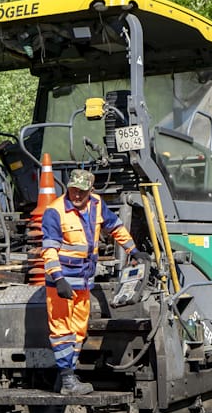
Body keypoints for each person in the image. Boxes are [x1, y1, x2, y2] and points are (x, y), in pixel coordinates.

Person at [41, 169, 152, 395]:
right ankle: (67, 380)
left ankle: (65, 376)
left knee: (78, 331)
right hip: (62, 284)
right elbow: (49, 250)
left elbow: (115, 227)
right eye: (73, 189)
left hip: (83, 282)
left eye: (82, 191)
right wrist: (58, 279)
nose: (77, 195)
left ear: (91, 190)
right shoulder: (55, 211)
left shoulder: (97, 204)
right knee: (62, 330)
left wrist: (133, 251)